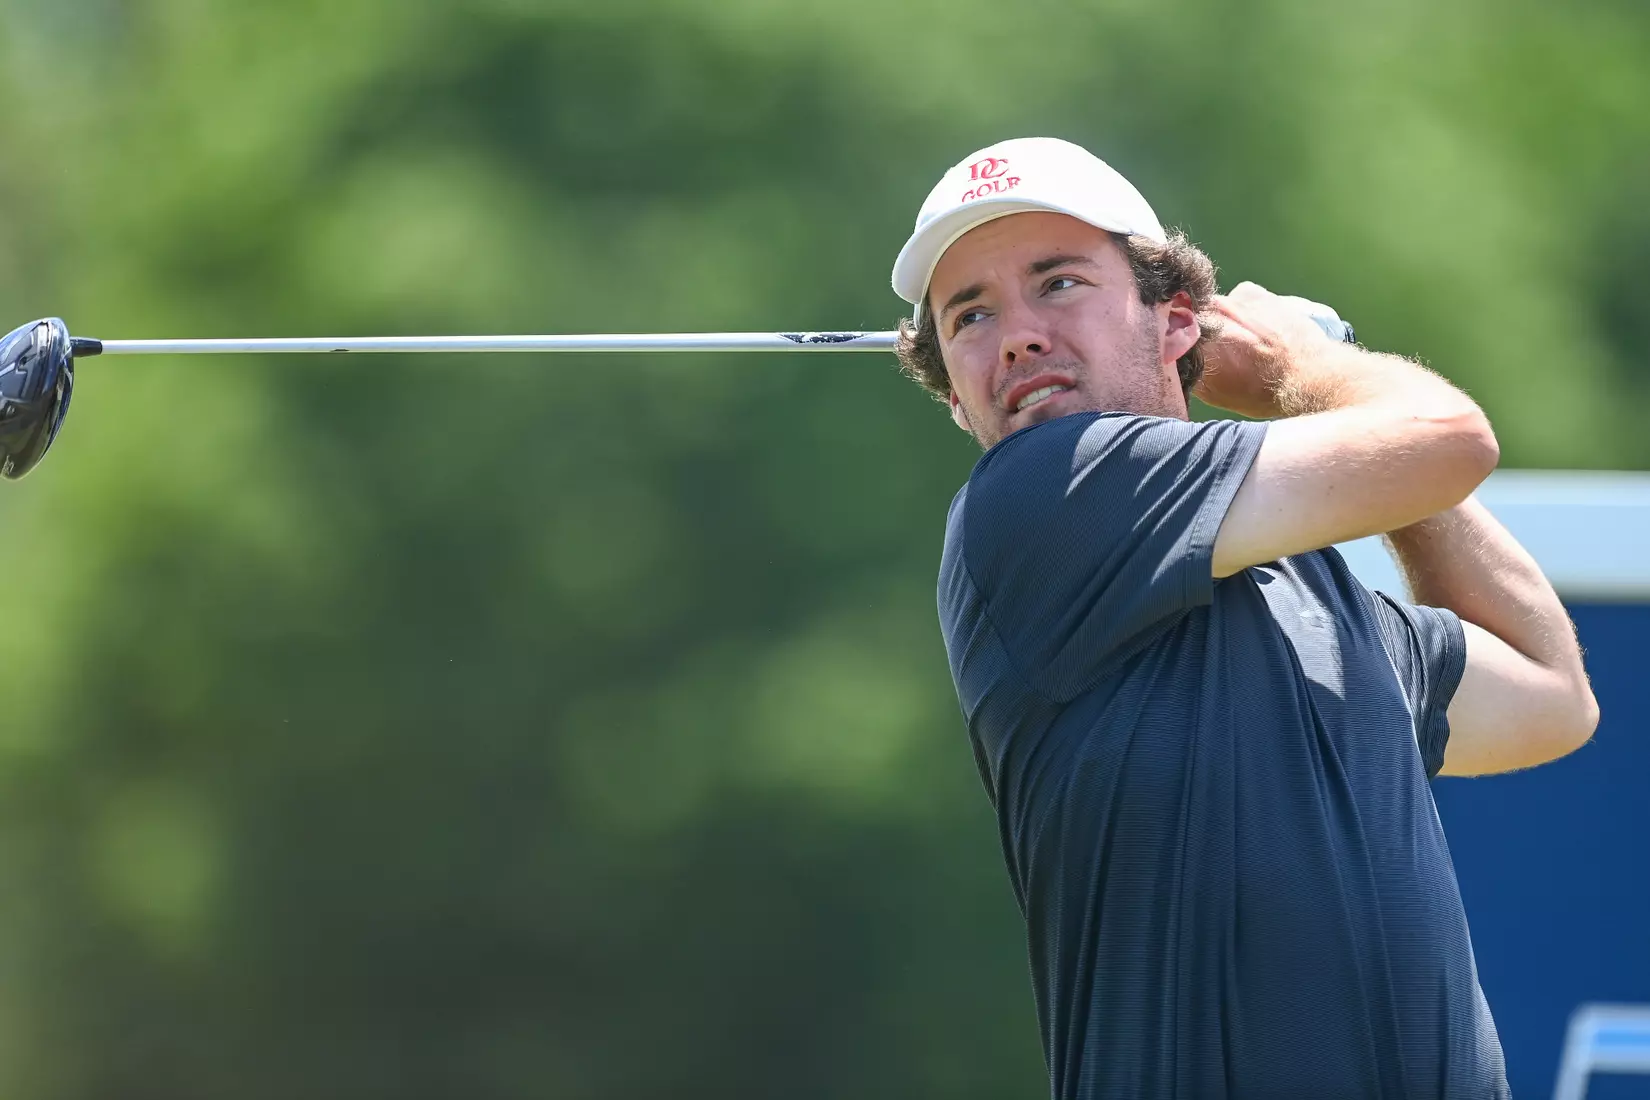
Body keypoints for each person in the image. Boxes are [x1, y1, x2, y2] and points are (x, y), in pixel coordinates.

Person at [890, 136, 1599, 1100]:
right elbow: (1451, 438)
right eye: (970, 313)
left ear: (1175, 321)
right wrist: (1309, 370)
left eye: (1057, 284)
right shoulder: (1039, 497)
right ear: (957, 389)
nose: (1015, 335)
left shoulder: (1322, 597)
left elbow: (1555, 698)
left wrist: (1337, 411)